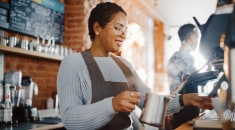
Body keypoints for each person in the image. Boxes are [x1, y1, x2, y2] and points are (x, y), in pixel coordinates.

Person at [57, 2, 213, 130]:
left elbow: (150, 101)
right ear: (97, 28)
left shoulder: (124, 64)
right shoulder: (73, 63)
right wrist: (112, 105)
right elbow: (70, 119)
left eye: (125, 30)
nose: (123, 35)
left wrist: (186, 99)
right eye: (118, 28)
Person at [167, 23, 203, 129]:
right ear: (192, 37)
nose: (198, 41)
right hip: (184, 108)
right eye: (197, 37)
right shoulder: (184, 57)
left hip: (179, 107)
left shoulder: (175, 56)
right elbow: (195, 79)